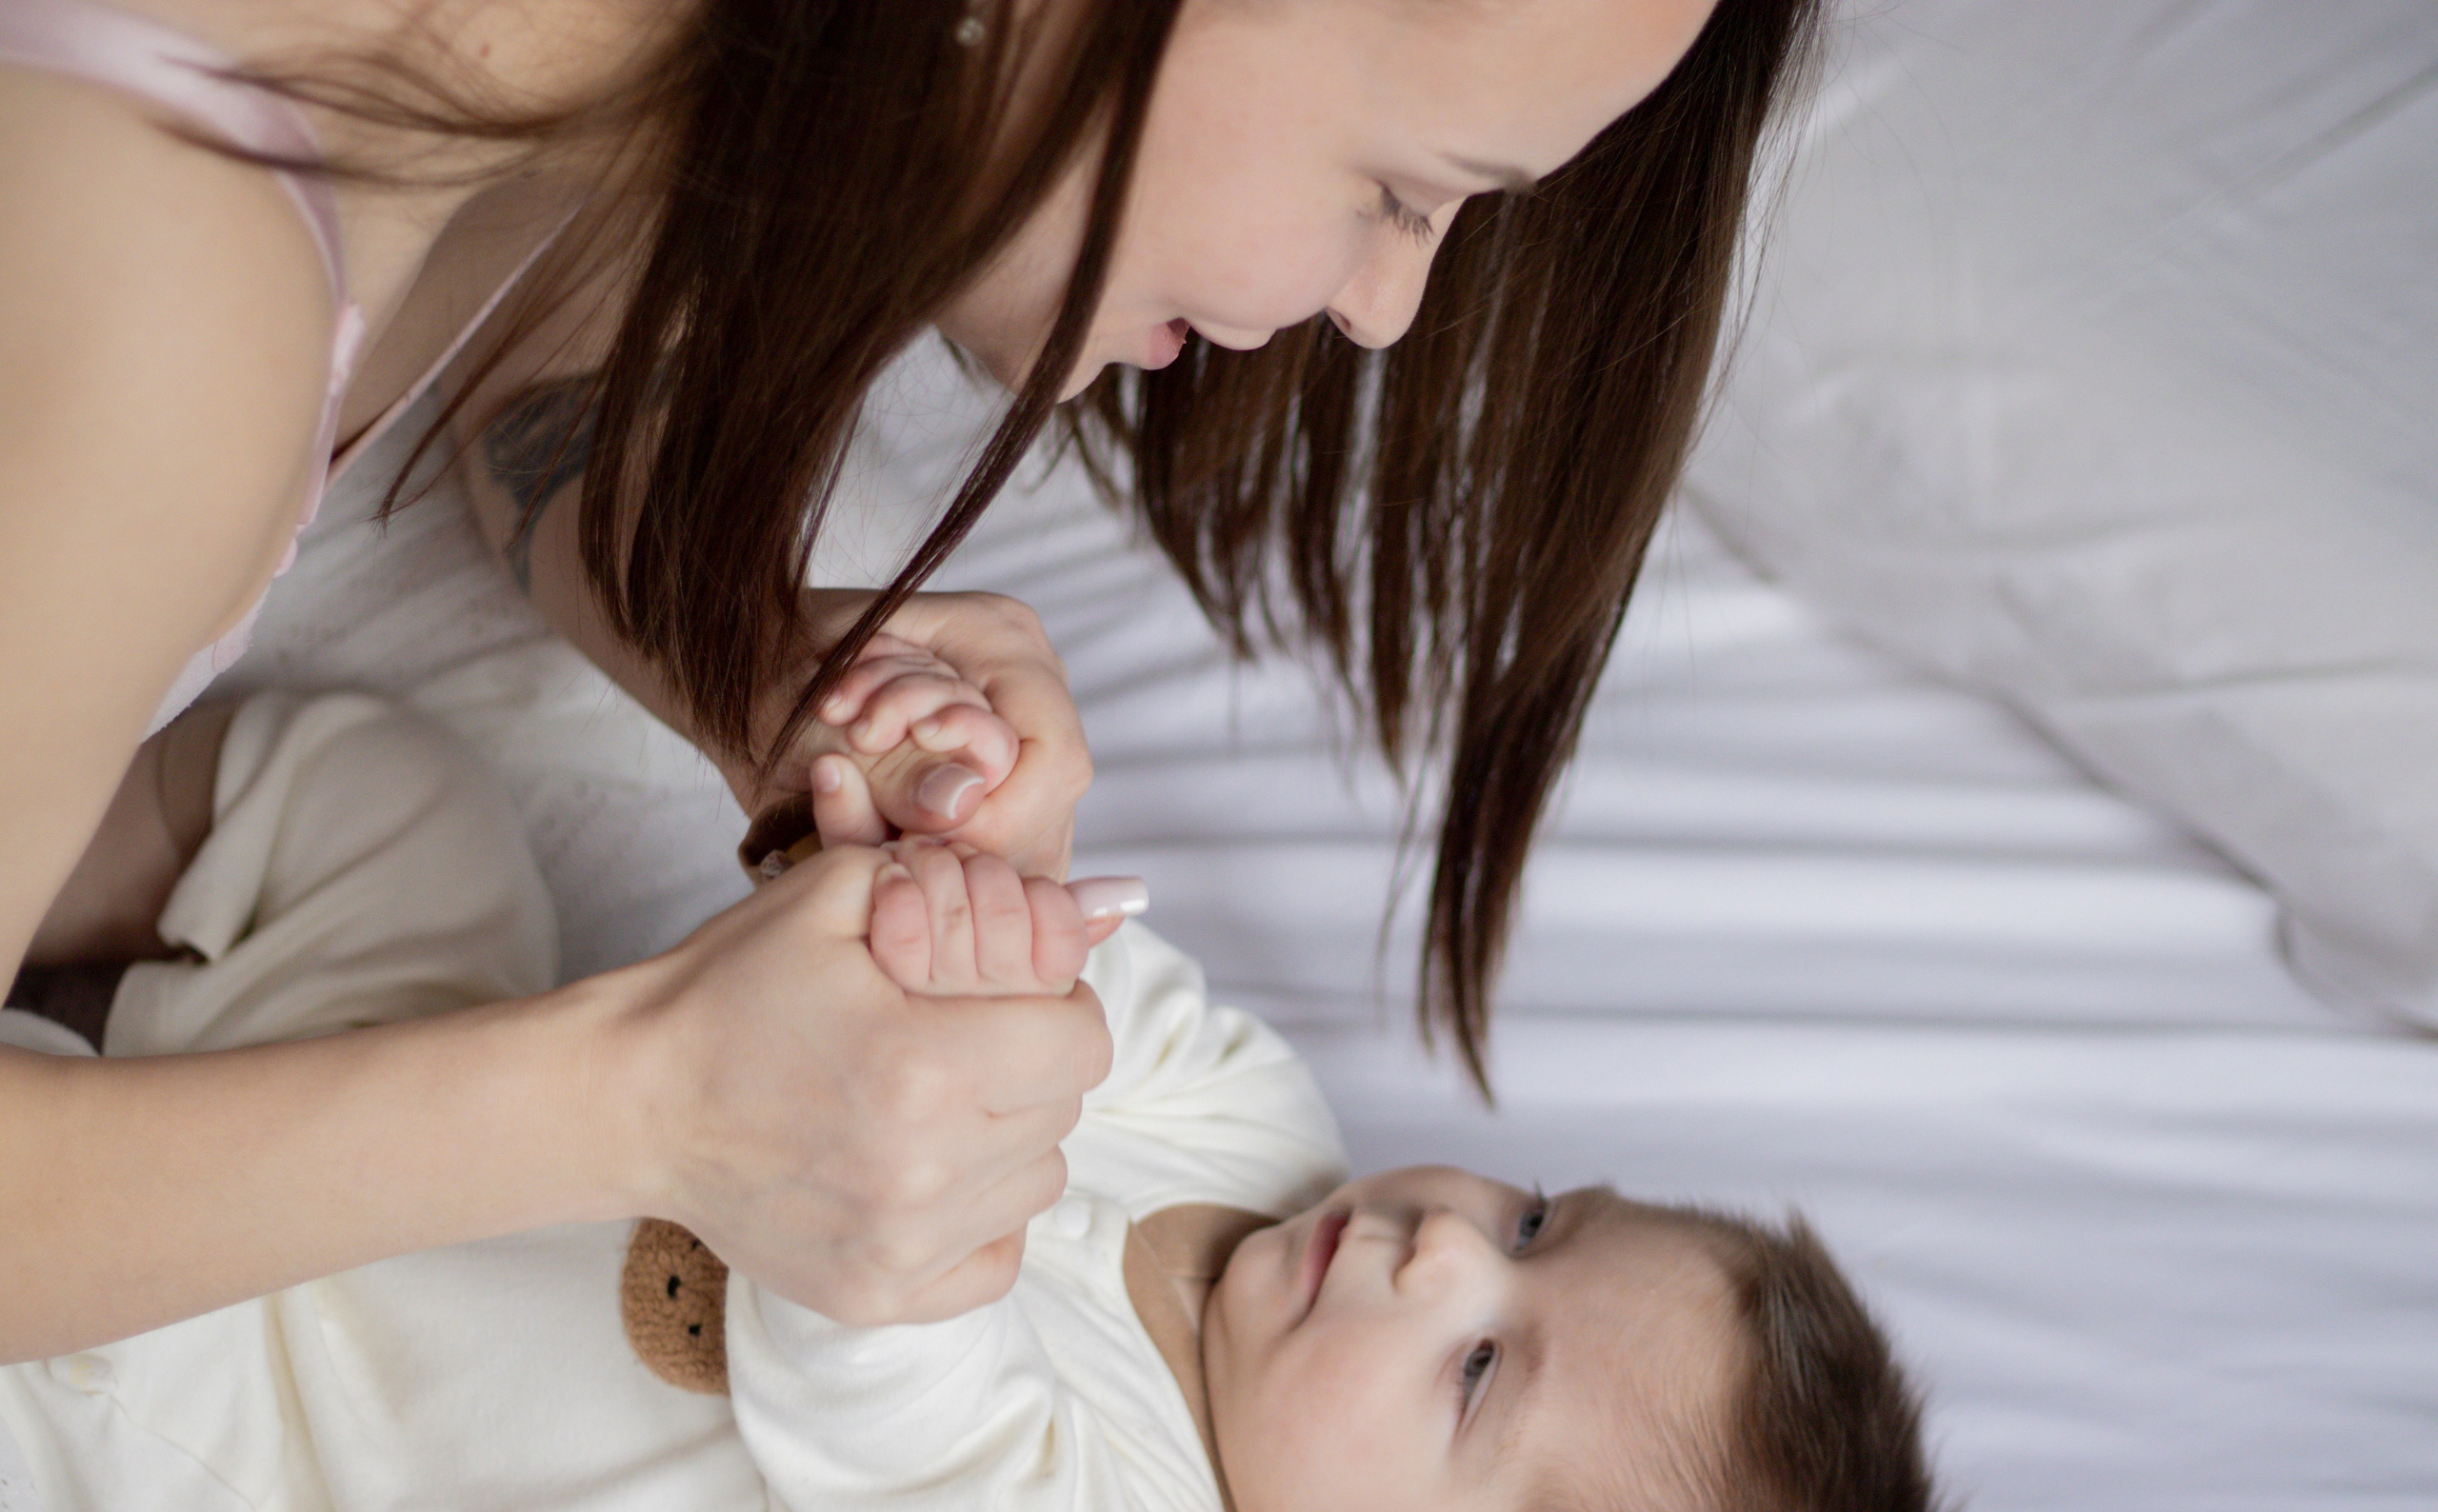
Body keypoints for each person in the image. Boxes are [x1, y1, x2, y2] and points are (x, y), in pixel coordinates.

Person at [0, 0, 1822, 1369]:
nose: (1385, 310)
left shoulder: (542, 81)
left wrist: (764, 664)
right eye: (1404, 192)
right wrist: (652, 1103)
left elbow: (536, 376)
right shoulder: (169, 280)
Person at [1, 677, 1948, 1512]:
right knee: (376, 779)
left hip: (325, 1437)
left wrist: (918, 1027)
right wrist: (964, 866)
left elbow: (882, 1354)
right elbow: (1076, 990)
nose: (1444, 1248)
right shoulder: (1268, 1142)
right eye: (1535, 1221)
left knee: (57, 1357)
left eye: (1477, 1373)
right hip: (458, 1086)